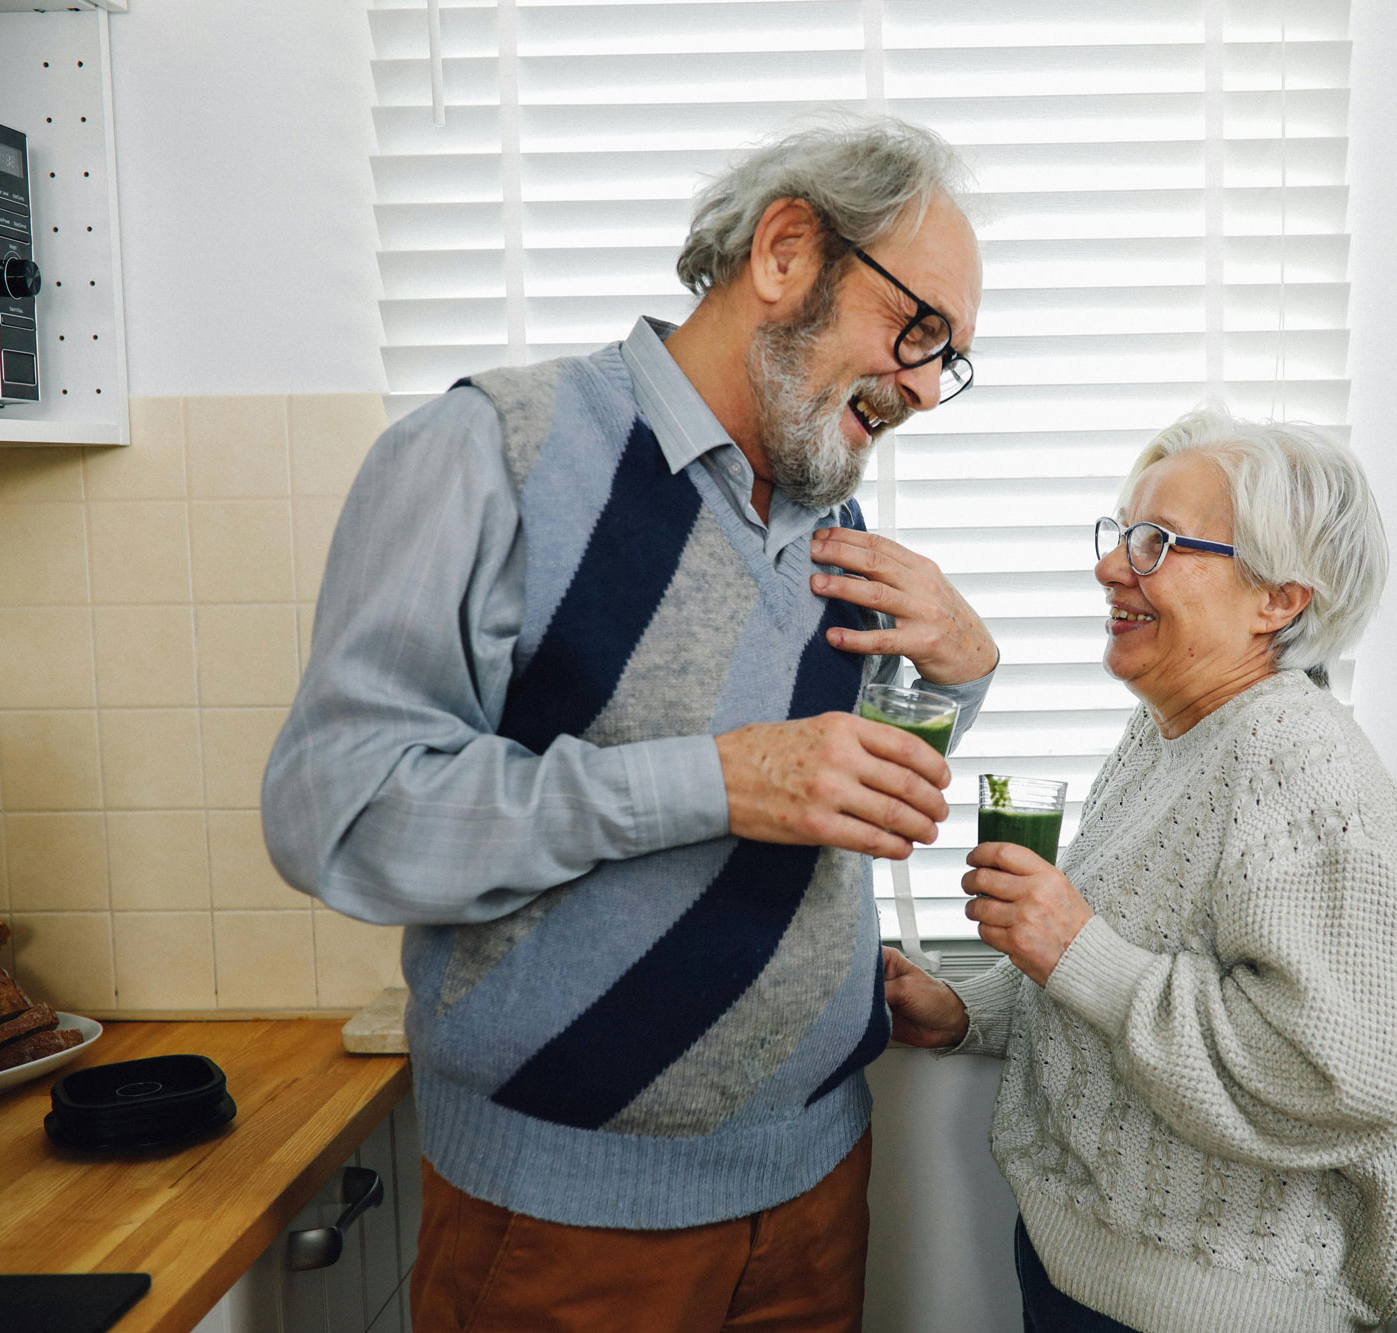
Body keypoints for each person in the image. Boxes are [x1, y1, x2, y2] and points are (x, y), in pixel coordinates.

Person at [262, 115, 996, 1333]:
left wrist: (960, 677)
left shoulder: (832, 519)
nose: (923, 385)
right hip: (562, 1229)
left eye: (947, 358)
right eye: (916, 330)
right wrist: (705, 782)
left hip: (816, 1187)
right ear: (784, 252)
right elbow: (337, 809)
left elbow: (833, 794)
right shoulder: (489, 451)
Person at [884, 410, 1397, 1333]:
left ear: (1279, 600)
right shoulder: (1167, 726)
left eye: (1157, 544)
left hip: (1209, 1305)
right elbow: (1124, 961)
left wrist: (1074, 946)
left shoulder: (1299, 765)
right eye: (1120, 535)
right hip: (1091, 1259)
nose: (1113, 567)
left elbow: (1353, 1078)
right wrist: (968, 1011)